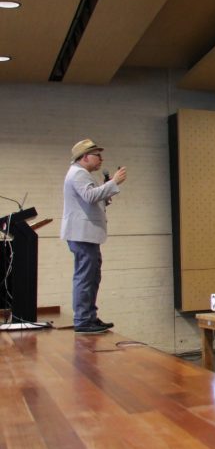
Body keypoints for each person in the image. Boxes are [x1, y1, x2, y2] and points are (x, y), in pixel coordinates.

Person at [61, 139, 127, 334]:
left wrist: (106, 192)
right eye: (97, 155)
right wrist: (114, 182)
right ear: (84, 157)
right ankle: (83, 320)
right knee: (86, 277)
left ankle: (89, 317)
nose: (101, 159)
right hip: (82, 235)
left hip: (85, 235)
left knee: (91, 276)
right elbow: (89, 197)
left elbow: (91, 201)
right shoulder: (78, 174)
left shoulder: (80, 174)